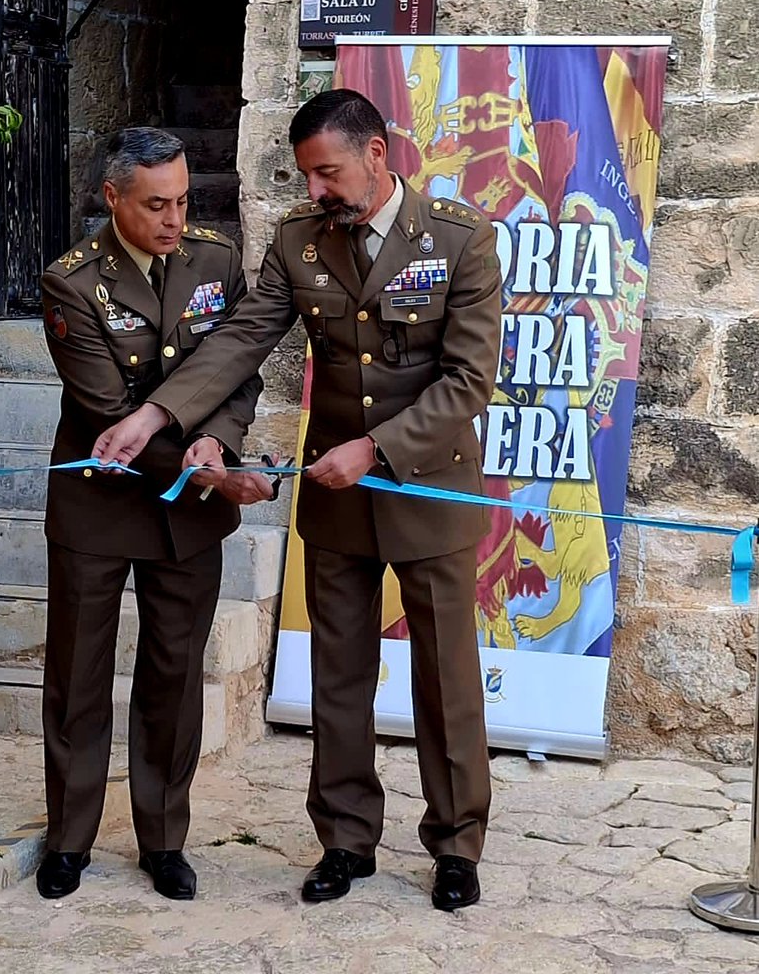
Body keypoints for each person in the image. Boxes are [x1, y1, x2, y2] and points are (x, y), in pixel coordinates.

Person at [93, 90, 503, 911]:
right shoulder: (295, 240)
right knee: (338, 675)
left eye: (328, 173)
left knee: (446, 678)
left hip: (428, 486)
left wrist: (379, 448)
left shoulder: (461, 239)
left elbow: (468, 379)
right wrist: (156, 415)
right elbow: (245, 337)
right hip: (334, 499)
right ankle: (346, 840)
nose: (315, 190)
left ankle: (455, 844)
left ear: (377, 156)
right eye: (306, 175)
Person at [37, 126, 273, 902]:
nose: (173, 220)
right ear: (113, 199)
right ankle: (69, 838)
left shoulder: (214, 258)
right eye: (155, 205)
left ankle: (162, 838)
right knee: (79, 675)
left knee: (173, 675)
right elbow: (109, 409)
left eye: (182, 201)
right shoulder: (72, 283)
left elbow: (237, 368)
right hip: (101, 506)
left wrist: (220, 440)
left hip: (186, 512)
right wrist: (215, 472)